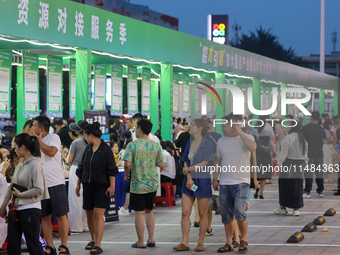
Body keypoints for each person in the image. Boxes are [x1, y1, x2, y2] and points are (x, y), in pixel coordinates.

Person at [213, 113, 256, 253]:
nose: (222, 128)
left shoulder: (247, 137)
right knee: (226, 214)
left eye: (224, 126)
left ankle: (243, 239)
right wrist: (215, 178)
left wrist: (240, 132)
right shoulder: (221, 141)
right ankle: (229, 243)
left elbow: (253, 148)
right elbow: (217, 161)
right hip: (225, 182)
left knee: (239, 211)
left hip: (241, 181)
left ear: (233, 126)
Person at [0, 133, 49, 255]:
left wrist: (21, 195)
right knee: (13, 244)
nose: (14, 150)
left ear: (22, 147)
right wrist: (2, 207)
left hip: (30, 209)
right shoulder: (21, 164)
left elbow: (39, 189)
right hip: (16, 209)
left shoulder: (35, 164)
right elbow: (11, 187)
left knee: (33, 244)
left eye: (15, 147)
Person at [76, 122, 118, 254]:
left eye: (85, 136)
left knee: (98, 214)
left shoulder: (106, 150)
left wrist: (112, 186)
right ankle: (93, 239)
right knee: (89, 213)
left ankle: (98, 243)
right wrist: (78, 183)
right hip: (88, 185)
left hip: (102, 186)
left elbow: (112, 170)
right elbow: (82, 168)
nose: (84, 138)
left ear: (91, 135)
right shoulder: (87, 149)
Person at [31, 116, 70, 255]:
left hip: (56, 183)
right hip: (41, 184)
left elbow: (51, 152)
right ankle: (50, 246)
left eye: (33, 126)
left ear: (40, 129)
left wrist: (38, 141)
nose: (31, 128)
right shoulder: (33, 141)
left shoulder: (54, 138)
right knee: (45, 217)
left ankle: (64, 246)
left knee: (61, 215)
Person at [173, 119, 214, 252]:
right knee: (185, 212)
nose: (190, 127)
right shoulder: (190, 142)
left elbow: (205, 163)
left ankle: (200, 241)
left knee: (202, 213)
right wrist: (188, 177)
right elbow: (185, 160)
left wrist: (189, 170)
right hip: (189, 181)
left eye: (193, 126)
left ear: (200, 128)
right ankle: (184, 242)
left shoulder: (208, 144)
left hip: (202, 181)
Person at [123, 119, 165, 248]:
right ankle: (151, 239)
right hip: (152, 183)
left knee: (139, 213)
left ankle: (140, 242)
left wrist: (126, 175)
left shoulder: (132, 145)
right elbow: (162, 164)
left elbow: (127, 164)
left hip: (137, 184)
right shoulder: (156, 145)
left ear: (139, 129)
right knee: (149, 211)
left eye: (136, 129)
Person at [273, 122, 308, 216]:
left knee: (284, 186)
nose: (286, 126)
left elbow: (283, 153)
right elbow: (305, 154)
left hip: (288, 164)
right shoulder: (302, 139)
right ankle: (296, 209)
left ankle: (282, 208)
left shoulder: (288, 138)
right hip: (300, 164)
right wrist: (306, 164)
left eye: (288, 125)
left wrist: (279, 164)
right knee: (297, 186)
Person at [67, 120, 89, 233]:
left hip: (76, 169)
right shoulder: (89, 141)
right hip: (87, 171)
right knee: (85, 198)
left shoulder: (75, 143)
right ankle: (85, 225)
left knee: (75, 199)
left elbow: (69, 160)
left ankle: (76, 227)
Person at [251, 118, 277, 199]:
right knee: (264, 175)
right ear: (265, 123)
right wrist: (277, 154)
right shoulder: (268, 133)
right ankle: (261, 192)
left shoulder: (253, 132)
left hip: (256, 155)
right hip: (266, 155)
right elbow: (272, 145)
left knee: (256, 173)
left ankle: (256, 188)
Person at [302, 111, 326, 198]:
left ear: (311, 118)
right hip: (319, 154)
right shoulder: (321, 129)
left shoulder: (306, 128)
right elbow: (323, 141)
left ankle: (307, 191)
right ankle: (320, 191)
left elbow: (302, 141)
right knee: (319, 173)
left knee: (309, 173)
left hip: (309, 154)